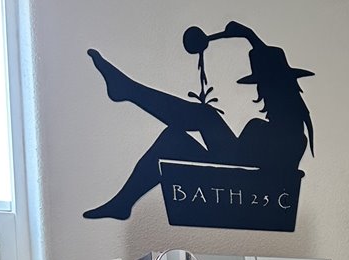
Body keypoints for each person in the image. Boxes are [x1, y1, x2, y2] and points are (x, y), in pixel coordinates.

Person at [84, 21, 314, 221]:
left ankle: (129, 90)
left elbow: (256, 170)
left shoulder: (290, 136)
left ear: (283, 93)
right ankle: (123, 203)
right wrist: (249, 36)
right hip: (232, 177)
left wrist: (250, 36)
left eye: (267, 89)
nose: (264, 94)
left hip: (240, 185)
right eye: (263, 88)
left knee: (205, 116)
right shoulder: (275, 130)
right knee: (173, 138)